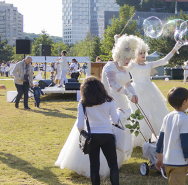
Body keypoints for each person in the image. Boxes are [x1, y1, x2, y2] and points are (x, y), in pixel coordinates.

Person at [56, 35, 137, 177]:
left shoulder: (125, 68)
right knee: (104, 131)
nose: (128, 60)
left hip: (122, 103)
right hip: (105, 102)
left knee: (120, 131)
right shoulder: (110, 66)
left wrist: (133, 94)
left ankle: (115, 161)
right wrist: (128, 94)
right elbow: (112, 85)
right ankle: (97, 164)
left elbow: (128, 83)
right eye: (127, 57)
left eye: (130, 57)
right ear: (119, 55)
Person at [75, 77, 133, 185]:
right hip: (107, 135)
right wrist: (119, 112)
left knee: (94, 166)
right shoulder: (108, 101)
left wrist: (83, 133)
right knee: (112, 164)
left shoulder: (83, 103)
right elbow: (116, 120)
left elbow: (79, 126)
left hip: (92, 137)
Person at [128, 38, 181, 147]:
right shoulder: (131, 65)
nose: (143, 55)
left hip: (150, 90)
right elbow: (120, 59)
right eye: (140, 53)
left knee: (154, 111)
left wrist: (175, 48)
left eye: (144, 52)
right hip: (137, 91)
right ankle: (140, 138)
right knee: (139, 113)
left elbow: (164, 60)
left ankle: (156, 135)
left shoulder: (148, 64)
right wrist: (117, 42)